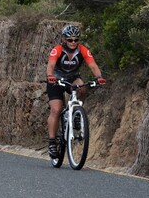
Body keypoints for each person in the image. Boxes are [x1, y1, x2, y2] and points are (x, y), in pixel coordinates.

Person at [45, 24, 107, 160]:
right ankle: (51, 142)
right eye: (70, 40)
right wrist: (50, 76)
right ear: (64, 39)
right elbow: (50, 65)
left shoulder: (83, 50)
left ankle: (77, 113)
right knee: (56, 110)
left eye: (76, 40)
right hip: (56, 80)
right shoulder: (58, 50)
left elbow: (93, 65)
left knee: (82, 87)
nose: (73, 43)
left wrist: (99, 77)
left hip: (72, 78)